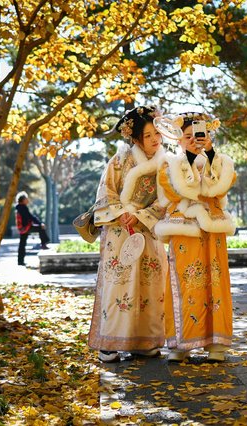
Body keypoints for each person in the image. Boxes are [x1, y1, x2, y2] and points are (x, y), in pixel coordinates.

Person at [88, 105, 169, 363]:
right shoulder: (119, 161)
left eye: (157, 133)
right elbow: (106, 192)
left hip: (148, 231)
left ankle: (144, 342)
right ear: (135, 139)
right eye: (148, 136)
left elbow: (167, 199)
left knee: (150, 285)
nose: (155, 140)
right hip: (120, 231)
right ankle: (110, 342)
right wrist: (121, 213)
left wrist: (143, 215)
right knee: (119, 284)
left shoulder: (166, 163)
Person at [155, 112, 236, 362]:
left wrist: (210, 154)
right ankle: (180, 343)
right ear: (178, 140)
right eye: (187, 137)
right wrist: (190, 158)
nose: (193, 140)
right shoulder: (170, 163)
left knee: (215, 282)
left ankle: (216, 344)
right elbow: (174, 188)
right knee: (184, 281)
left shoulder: (218, 161)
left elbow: (224, 184)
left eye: (199, 135)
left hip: (212, 227)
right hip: (184, 228)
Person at [15, 192, 50, 266]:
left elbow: (29, 217)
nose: (27, 200)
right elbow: (31, 217)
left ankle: (20, 261)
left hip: (22, 228)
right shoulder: (23, 207)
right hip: (26, 227)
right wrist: (40, 223)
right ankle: (43, 244)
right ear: (23, 200)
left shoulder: (19, 207)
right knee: (41, 228)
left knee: (22, 244)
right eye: (26, 199)